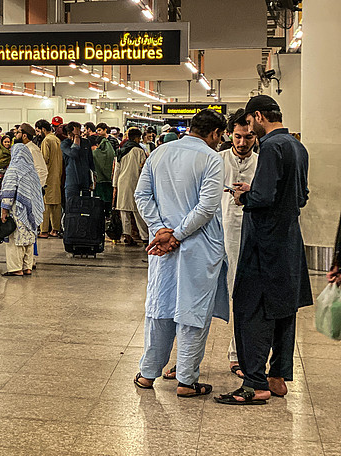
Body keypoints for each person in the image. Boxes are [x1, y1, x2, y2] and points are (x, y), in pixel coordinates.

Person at [216, 95, 311, 406]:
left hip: (264, 239)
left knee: (249, 307)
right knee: (284, 308)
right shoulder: (298, 146)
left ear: (257, 116)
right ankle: (278, 376)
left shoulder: (270, 146)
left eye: (251, 123)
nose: (250, 132)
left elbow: (264, 196)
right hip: (289, 238)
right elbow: (301, 195)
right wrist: (255, 191)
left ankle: (254, 383)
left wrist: (245, 197)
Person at [132, 108, 229, 397]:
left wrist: (161, 229)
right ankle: (186, 380)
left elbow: (142, 195)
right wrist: (177, 234)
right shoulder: (211, 158)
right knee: (192, 312)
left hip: (161, 248)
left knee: (160, 308)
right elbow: (207, 207)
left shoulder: (160, 152)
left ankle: (148, 373)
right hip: (197, 247)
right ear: (214, 134)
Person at [218, 109, 258, 380]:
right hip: (213, 238)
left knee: (241, 296)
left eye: (249, 136)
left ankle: (237, 354)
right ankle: (187, 359)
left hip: (248, 239)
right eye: (238, 136)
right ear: (229, 134)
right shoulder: (217, 160)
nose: (242, 143)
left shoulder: (263, 163)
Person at [0, 143, 44, 277]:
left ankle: (16, 268)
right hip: (31, 212)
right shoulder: (32, 170)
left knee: (15, 239)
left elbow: (8, 191)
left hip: (18, 210)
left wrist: (4, 210)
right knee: (29, 240)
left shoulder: (13, 169)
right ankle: (27, 267)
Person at [112, 127, 148, 246]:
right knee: (137, 211)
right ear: (137, 138)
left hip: (122, 182)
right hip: (135, 182)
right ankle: (145, 237)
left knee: (124, 210)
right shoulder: (139, 151)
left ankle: (126, 235)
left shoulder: (121, 150)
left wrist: (115, 185)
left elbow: (116, 170)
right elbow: (143, 169)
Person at [36, 119, 62, 239]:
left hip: (47, 176)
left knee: (45, 205)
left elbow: (44, 159)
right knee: (56, 204)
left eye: (38, 130)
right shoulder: (57, 139)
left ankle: (44, 230)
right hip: (57, 175)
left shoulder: (46, 140)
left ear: (43, 130)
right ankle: (55, 229)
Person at [61, 122, 93, 201]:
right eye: (76, 133)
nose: (80, 134)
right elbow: (73, 153)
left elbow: (90, 160)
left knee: (86, 207)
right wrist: (76, 139)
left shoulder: (86, 142)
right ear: (69, 133)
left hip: (85, 180)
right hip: (72, 181)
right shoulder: (65, 144)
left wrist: (92, 179)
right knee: (72, 207)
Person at [17, 123, 48, 188]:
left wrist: (35, 188)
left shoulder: (33, 150)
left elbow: (42, 171)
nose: (16, 135)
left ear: (24, 136)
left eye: (18, 132)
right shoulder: (23, 148)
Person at [92, 123, 116, 205]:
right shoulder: (111, 151)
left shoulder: (95, 153)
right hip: (111, 179)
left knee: (100, 201)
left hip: (99, 181)